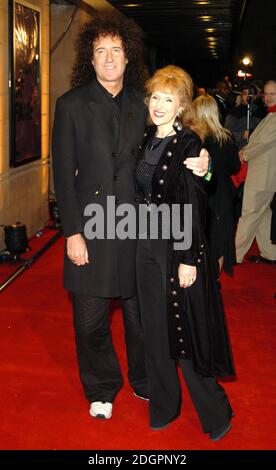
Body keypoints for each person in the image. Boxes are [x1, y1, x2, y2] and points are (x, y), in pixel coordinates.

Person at [52, 12, 209, 420]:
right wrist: (72, 232)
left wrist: (203, 161)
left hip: (140, 233)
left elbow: (180, 138)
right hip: (90, 228)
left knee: (143, 321)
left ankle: (144, 379)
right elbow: (62, 175)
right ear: (91, 57)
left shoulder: (146, 102)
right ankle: (102, 386)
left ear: (128, 56)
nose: (108, 58)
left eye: (116, 50)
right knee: (89, 322)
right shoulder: (69, 105)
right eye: (100, 50)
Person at [136, 65, 235, 441]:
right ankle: (163, 405)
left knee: (186, 332)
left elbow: (194, 204)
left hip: (176, 248)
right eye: (155, 97)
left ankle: (214, 413)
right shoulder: (147, 136)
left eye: (169, 99)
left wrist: (188, 257)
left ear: (181, 106)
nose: (159, 105)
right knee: (155, 332)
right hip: (143, 247)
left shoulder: (190, 144)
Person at [194, 94, 240, 276]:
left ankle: (202, 284)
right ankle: (213, 282)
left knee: (200, 240)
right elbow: (235, 167)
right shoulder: (226, 137)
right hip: (222, 195)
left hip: (201, 194)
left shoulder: (194, 138)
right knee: (219, 243)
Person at [235, 80, 276, 264]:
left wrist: (244, 153)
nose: (267, 97)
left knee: (249, 214)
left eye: (272, 94)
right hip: (263, 175)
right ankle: (271, 253)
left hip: (263, 176)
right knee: (262, 214)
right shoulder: (270, 116)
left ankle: (234, 254)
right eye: (266, 94)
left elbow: (263, 143)